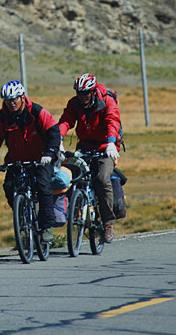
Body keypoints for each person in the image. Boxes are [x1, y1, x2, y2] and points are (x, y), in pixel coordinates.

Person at [0, 80, 61, 244]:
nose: (11, 103)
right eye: (8, 100)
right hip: (17, 161)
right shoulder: (2, 118)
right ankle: (24, 220)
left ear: (22, 97)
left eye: (15, 99)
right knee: (9, 187)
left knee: (43, 186)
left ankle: (46, 226)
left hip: (41, 160)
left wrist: (49, 153)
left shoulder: (37, 112)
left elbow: (54, 133)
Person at [58, 73, 121, 243]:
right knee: (71, 176)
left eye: (85, 93)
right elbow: (66, 121)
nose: (82, 97)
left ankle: (108, 222)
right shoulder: (74, 104)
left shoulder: (106, 101)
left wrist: (110, 141)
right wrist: (59, 139)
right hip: (85, 146)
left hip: (105, 146)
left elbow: (112, 120)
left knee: (101, 179)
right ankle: (77, 210)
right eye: (79, 93)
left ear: (93, 92)